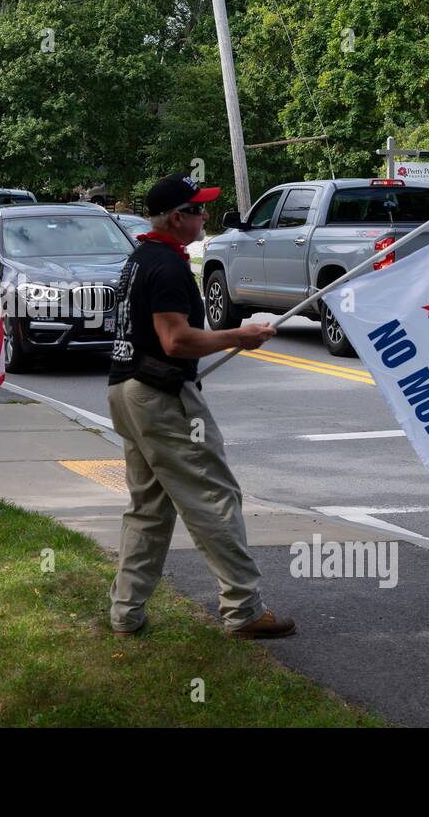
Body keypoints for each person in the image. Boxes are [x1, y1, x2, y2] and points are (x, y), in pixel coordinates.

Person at [107, 174, 296, 640]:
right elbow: (175, 340)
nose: (205, 216)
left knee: (149, 507)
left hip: (126, 389)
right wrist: (240, 336)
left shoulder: (141, 258)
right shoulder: (167, 267)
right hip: (161, 397)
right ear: (176, 217)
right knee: (215, 498)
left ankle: (126, 613)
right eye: (197, 209)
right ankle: (244, 610)